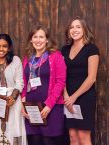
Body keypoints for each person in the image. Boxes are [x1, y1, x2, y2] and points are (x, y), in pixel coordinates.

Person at [21, 25, 66, 145]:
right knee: (34, 141)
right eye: (35, 37)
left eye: (41, 37)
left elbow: (60, 82)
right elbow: (24, 83)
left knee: (48, 142)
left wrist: (49, 105)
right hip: (32, 109)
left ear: (47, 40)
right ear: (31, 40)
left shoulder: (56, 56)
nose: (38, 40)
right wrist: (23, 104)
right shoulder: (27, 59)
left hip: (50, 109)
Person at [61, 17, 99, 145]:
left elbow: (92, 78)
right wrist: (66, 96)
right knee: (72, 137)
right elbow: (61, 75)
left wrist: (74, 97)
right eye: (71, 27)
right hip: (68, 98)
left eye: (78, 27)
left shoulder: (91, 49)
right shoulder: (64, 50)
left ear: (84, 29)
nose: (74, 30)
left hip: (84, 97)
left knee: (84, 137)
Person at [0, 34, 27, 145]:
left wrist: (13, 98)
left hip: (13, 103)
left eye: (4, 46)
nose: (1, 49)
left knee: (14, 132)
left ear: (9, 48)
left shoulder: (15, 60)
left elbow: (19, 82)